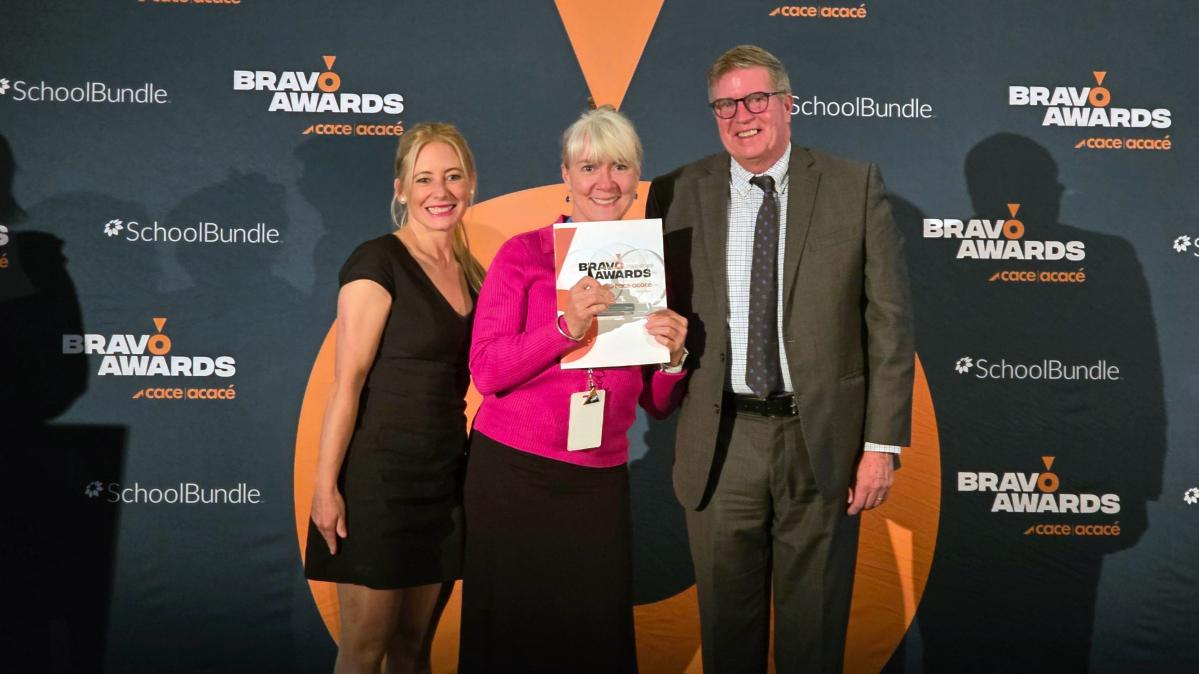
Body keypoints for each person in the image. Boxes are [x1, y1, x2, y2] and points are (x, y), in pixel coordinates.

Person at [645, 45, 915, 674]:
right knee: (727, 637)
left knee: (814, 636)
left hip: (822, 442)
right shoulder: (677, 191)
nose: (743, 115)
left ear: (788, 104)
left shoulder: (855, 186)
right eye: (726, 104)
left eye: (756, 99)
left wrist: (881, 444)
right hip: (720, 441)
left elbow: (890, 323)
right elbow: (645, 303)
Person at [459, 105, 689, 674]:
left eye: (618, 167)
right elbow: (486, 371)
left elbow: (656, 407)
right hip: (513, 473)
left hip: (597, 480)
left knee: (593, 640)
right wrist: (564, 328)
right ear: (565, 175)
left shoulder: (650, 266)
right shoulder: (524, 255)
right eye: (588, 167)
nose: (603, 182)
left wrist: (674, 361)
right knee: (510, 640)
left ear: (637, 179)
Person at [304, 122, 485, 674]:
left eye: (453, 176)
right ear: (401, 189)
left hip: (443, 481)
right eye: (424, 178)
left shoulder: (475, 273)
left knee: (414, 649)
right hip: (379, 485)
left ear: (471, 184)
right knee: (364, 651)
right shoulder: (377, 261)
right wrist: (325, 487)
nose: (441, 191)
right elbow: (347, 383)